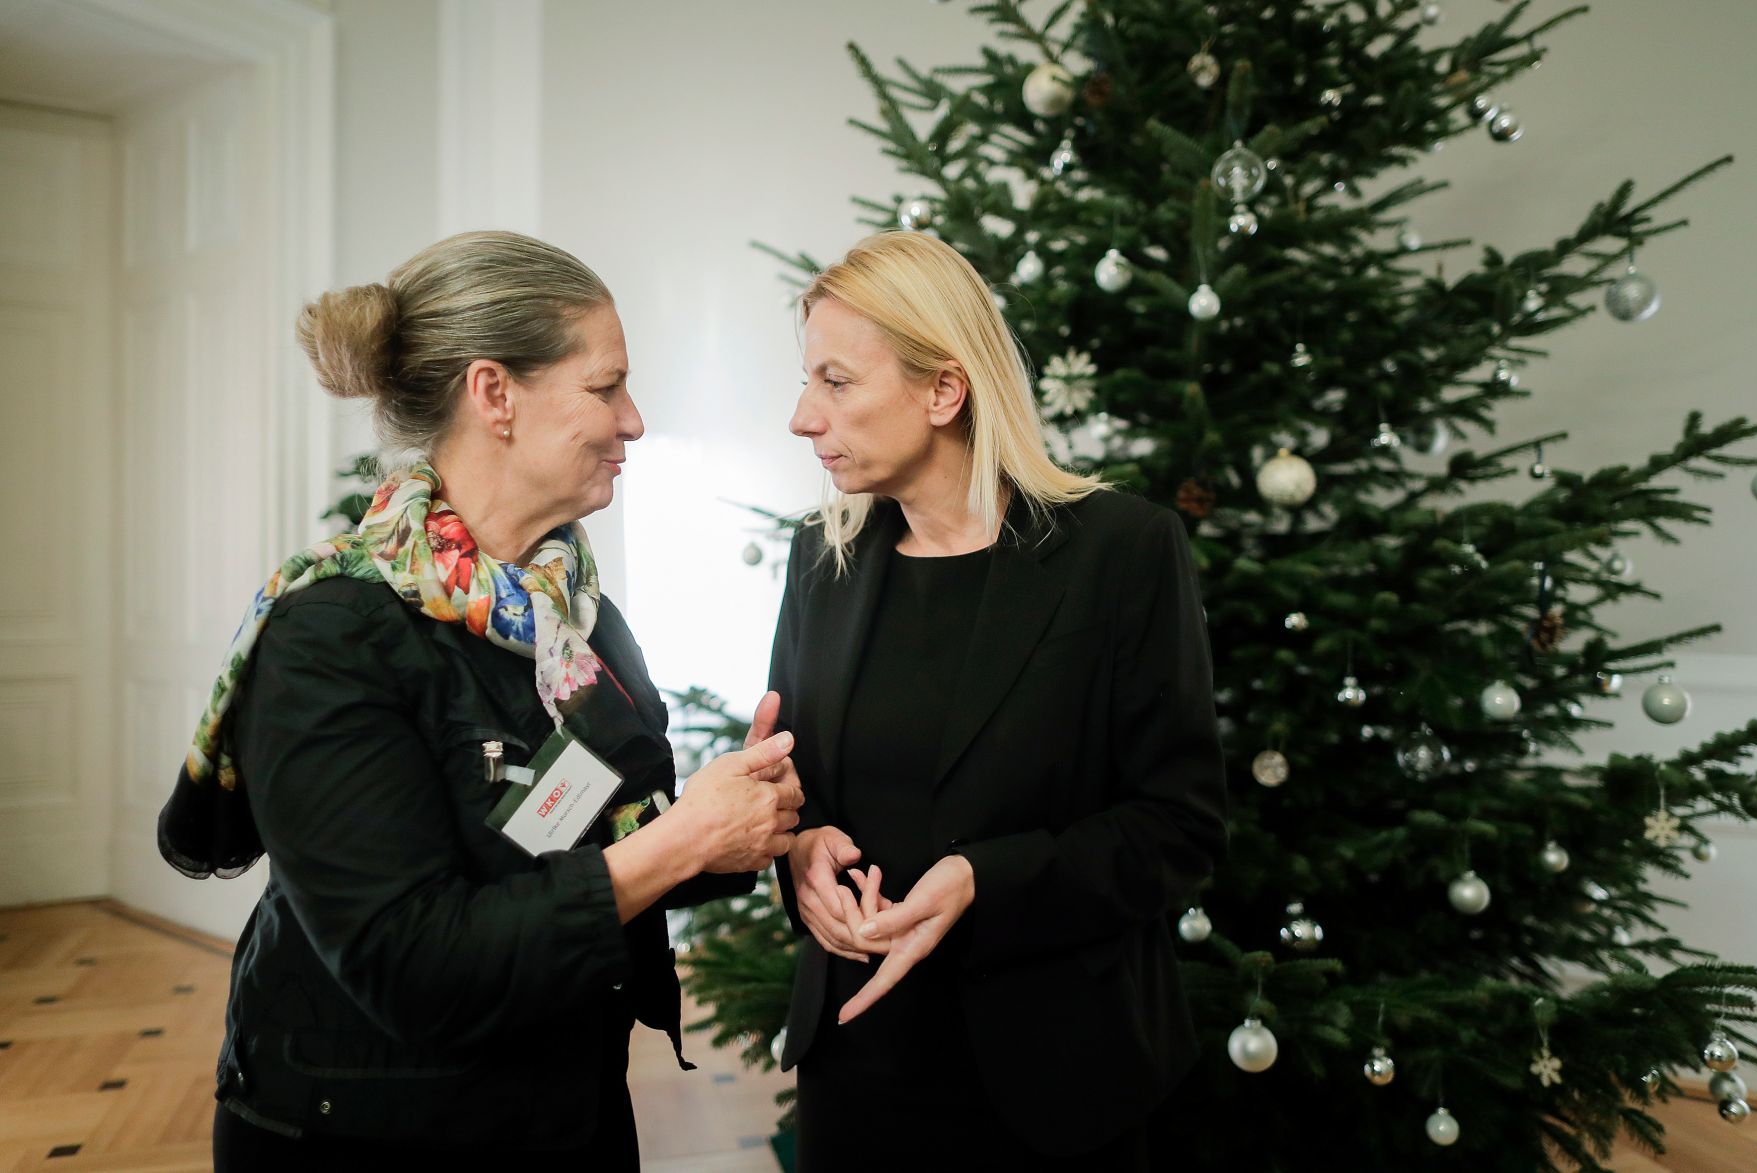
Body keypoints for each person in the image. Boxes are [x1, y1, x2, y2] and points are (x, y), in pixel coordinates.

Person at [155, 230, 803, 1171]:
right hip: (369, 1133)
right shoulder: (329, 636)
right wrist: (682, 840)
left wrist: (731, 819)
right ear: (494, 393)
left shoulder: (575, 618)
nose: (635, 420)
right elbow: (410, 964)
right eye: (605, 385)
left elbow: (583, 840)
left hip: (564, 1111)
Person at [769, 231, 1228, 1169]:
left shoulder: (1122, 552)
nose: (802, 418)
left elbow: (1179, 827)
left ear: (945, 390)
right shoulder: (822, 558)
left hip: (1058, 1081)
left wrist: (985, 879)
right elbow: (795, 785)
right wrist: (799, 844)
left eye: (836, 381)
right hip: (857, 1069)